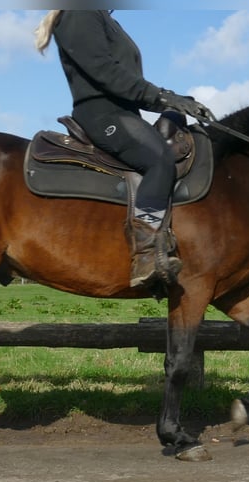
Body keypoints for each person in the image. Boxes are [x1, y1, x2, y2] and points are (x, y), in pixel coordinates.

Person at [35, 10, 215, 289]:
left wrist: (173, 101)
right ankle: (145, 255)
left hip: (126, 114)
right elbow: (105, 71)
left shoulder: (102, 18)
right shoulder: (79, 13)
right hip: (103, 114)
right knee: (159, 160)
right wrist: (164, 97)